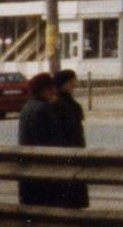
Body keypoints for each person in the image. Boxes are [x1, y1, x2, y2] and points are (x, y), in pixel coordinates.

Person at [16, 71, 89, 209]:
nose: (53, 92)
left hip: (32, 170)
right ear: (43, 90)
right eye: (51, 89)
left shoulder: (30, 106)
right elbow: (50, 142)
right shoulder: (43, 109)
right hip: (45, 170)